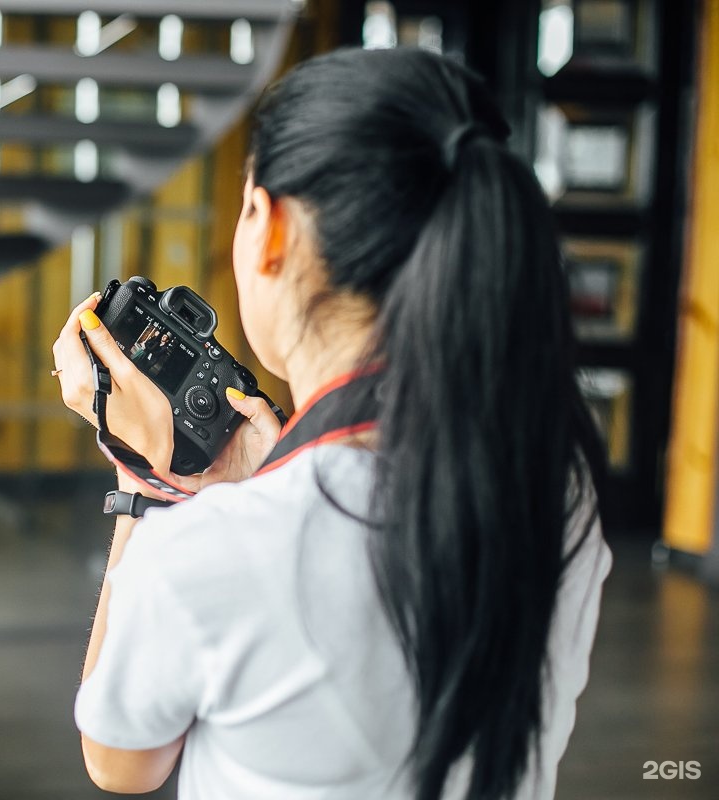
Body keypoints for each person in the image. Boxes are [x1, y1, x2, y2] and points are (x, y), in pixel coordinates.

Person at [51, 47, 612, 800]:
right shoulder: (556, 480)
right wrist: (280, 470)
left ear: (268, 225)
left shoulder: (207, 552)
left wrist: (146, 486)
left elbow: (118, 760)